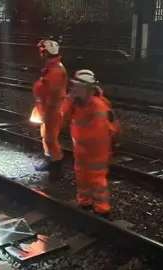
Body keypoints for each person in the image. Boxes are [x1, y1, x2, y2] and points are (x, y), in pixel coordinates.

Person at [63, 69, 119, 219]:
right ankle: (84, 202)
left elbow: (97, 135)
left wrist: (82, 144)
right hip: (81, 149)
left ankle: (102, 209)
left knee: (96, 178)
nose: (73, 89)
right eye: (73, 85)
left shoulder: (98, 106)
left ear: (88, 89)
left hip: (96, 151)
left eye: (77, 87)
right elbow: (63, 116)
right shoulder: (77, 102)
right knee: (81, 176)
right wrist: (69, 99)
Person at [30, 40, 68, 177]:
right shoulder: (52, 68)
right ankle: (49, 161)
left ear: (45, 52)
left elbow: (51, 94)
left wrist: (45, 112)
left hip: (52, 111)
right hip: (48, 110)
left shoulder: (55, 71)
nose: (40, 54)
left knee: (51, 139)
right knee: (46, 136)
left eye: (42, 51)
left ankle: (56, 169)